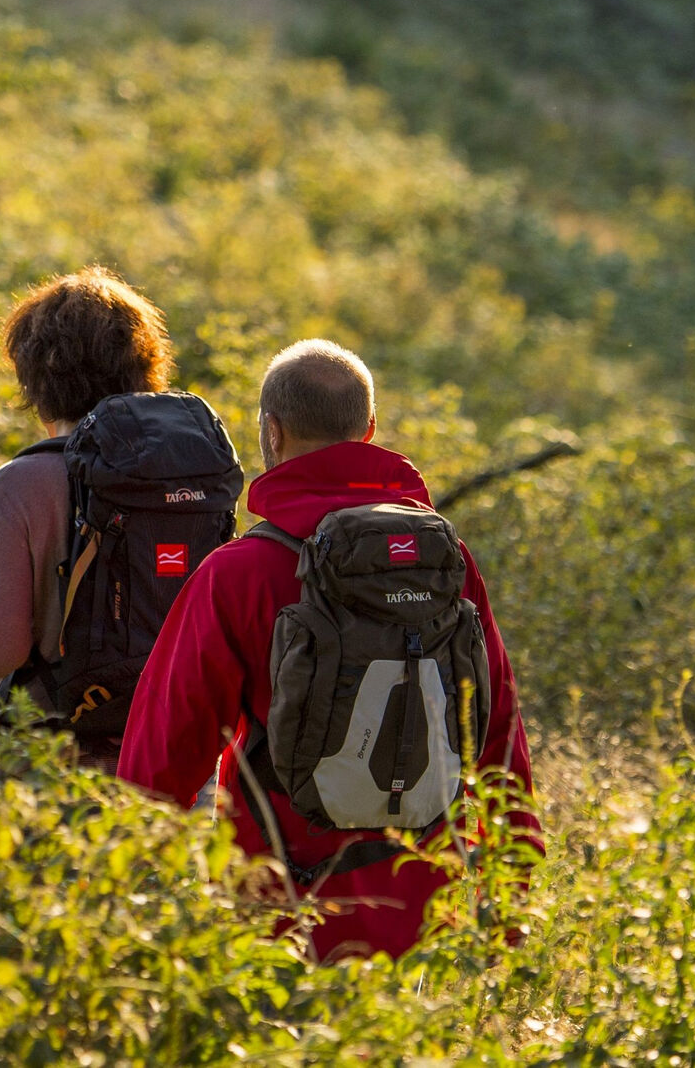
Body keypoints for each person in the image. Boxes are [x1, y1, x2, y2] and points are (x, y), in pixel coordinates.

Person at [118, 339, 538, 961]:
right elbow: (498, 728)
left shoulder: (237, 572)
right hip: (426, 909)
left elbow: (163, 754)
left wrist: (121, 889)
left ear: (272, 430)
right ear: (369, 429)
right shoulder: (445, 562)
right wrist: (510, 900)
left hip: (280, 908)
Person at [0, 266, 177, 768]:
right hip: (161, 750)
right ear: (144, 370)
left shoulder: (20, 484)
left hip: (48, 760)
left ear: (36, 380)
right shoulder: (186, 476)